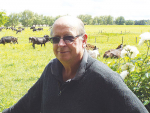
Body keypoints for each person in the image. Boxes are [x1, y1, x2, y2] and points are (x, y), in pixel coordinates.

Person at [2, 16, 148, 113]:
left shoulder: (104, 78)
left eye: (68, 37)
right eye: (55, 38)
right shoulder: (51, 70)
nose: (60, 44)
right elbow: (23, 107)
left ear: (84, 40)